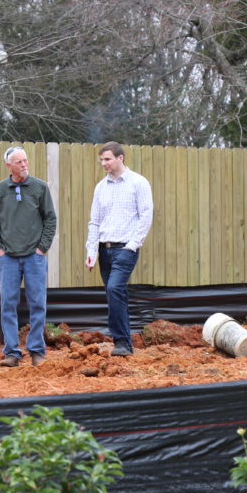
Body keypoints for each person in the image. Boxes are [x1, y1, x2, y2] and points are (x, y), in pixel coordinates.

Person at [0, 146, 58, 367]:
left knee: (38, 303)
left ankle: (36, 350)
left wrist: (42, 248)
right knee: (8, 304)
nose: (24, 165)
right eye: (19, 162)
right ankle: (12, 353)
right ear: (9, 166)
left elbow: (50, 219)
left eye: (25, 160)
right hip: (8, 257)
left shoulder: (39, 188)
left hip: (34, 257)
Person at [85, 141, 153, 356]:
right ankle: (123, 343)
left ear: (120, 158)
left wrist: (132, 246)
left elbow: (146, 215)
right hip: (104, 250)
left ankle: (122, 342)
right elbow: (94, 221)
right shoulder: (100, 187)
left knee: (115, 289)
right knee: (115, 294)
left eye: (107, 159)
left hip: (125, 248)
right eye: (101, 160)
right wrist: (91, 251)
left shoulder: (138, 183)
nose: (103, 163)